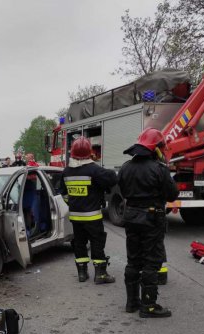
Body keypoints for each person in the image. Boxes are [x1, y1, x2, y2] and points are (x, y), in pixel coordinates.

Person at [118, 128, 179, 318]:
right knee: (152, 262)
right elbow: (172, 194)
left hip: (131, 217)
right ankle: (149, 306)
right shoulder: (159, 169)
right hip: (152, 219)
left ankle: (132, 303)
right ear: (156, 148)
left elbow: (122, 189)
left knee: (133, 260)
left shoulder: (125, 167)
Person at [59, 137, 117, 284]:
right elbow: (112, 178)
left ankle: (82, 274)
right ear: (89, 153)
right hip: (92, 217)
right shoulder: (94, 169)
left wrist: (73, 204)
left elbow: (63, 193)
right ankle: (100, 275)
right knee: (97, 243)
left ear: (72, 153)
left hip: (76, 217)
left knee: (79, 243)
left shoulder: (66, 172)